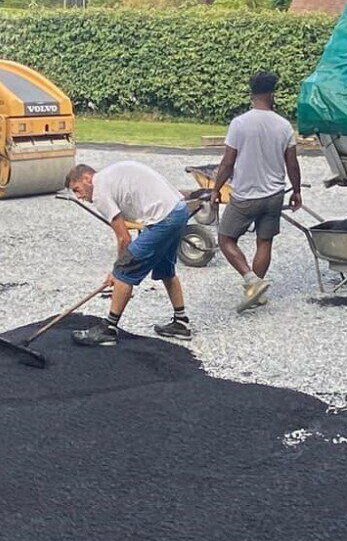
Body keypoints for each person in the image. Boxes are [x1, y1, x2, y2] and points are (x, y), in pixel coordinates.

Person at [64, 160, 193, 343]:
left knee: (124, 272)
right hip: (178, 209)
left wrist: (117, 271)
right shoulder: (110, 176)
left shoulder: (100, 191)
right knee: (166, 270)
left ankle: (108, 329)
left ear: (87, 178)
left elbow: (124, 238)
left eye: (77, 189)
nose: (79, 197)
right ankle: (181, 323)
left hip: (164, 218)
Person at [206, 70, 302, 311]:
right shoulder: (284, 126)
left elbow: (228, 161)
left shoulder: (240, 124)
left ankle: (251, 282)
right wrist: (297, 190)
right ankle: (256, 291)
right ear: (272, 94)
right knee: (264, 241)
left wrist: (215, 188)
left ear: (252, 93)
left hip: (246, 195)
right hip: (274, 195)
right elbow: (292, 163)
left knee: (226, 239)